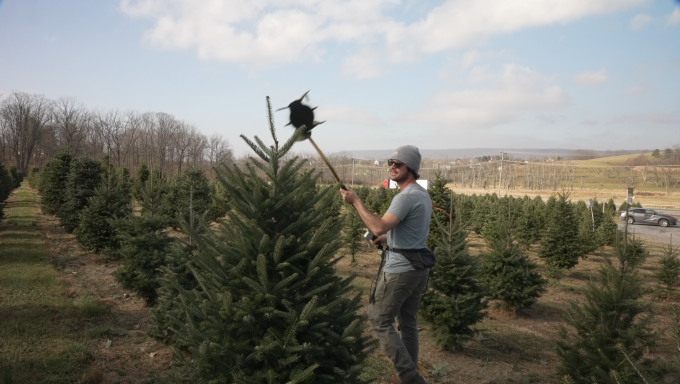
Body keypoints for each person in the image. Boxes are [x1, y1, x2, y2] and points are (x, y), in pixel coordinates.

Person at [340, 145, 432, 384]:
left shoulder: (406, 196)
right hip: (418, 266)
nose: (392, 166)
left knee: (379, 320)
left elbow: (379, 226)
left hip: (401, 270)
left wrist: (357, 201)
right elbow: (402, 233)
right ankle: (410, 375)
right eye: (390, 162)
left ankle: (411, 379)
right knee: (407, 322)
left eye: (398, 163)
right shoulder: (421, 194)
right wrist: (384, 239)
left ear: (410, 168)